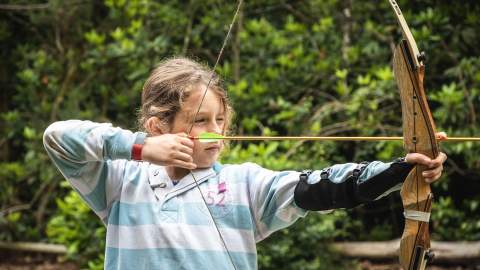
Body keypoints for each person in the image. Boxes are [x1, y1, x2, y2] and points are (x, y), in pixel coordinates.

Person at [43, 57, 447, 270]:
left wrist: (402, 169)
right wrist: (139, 148)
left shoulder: (245, 186)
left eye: (221, 120)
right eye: (200, 121)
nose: (216, 131)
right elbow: (58, 138)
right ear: (157, 126)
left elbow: (324, 185)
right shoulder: (120, 182)